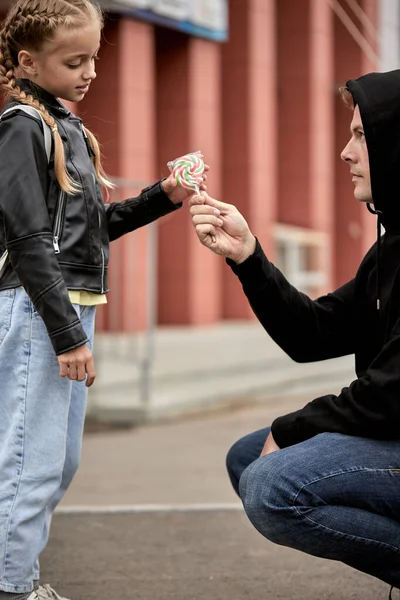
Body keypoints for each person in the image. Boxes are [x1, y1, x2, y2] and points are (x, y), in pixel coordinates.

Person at [0, 1, 208, 599]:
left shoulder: (67, 127)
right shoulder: (23, 127)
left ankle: (17, 580)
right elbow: (30, 239)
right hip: (41, 311)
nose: (91, 71)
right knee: (27, 466)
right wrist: (67, 334)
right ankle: (14, 588)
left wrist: (164, 196)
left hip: (64, 309)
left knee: (53, 465)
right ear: (27, 61)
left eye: (94, 57)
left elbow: (89, 229)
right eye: (75, 61)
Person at [189, 70, 400, 599]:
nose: (345, 153)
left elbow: (389, 393)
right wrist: (248, 256)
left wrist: (290, 427)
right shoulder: (392, 248)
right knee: (247, 457)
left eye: (360, 135)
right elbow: (313, 333)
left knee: (271, 483)